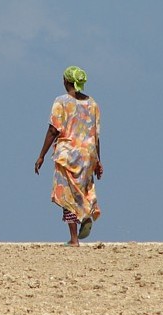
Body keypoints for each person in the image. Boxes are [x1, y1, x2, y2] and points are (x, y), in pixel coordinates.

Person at [34, 66, 103, 247]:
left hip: (68, 153)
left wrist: (41, 155)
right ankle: (86, 214)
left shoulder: (61, 101)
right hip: (88, 154)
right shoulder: (93, 104)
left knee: (66, 194)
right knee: (84, 190)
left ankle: (74, 239)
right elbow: (95, 135)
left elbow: (53, 129)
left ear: (66, 82)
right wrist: (98, 160)